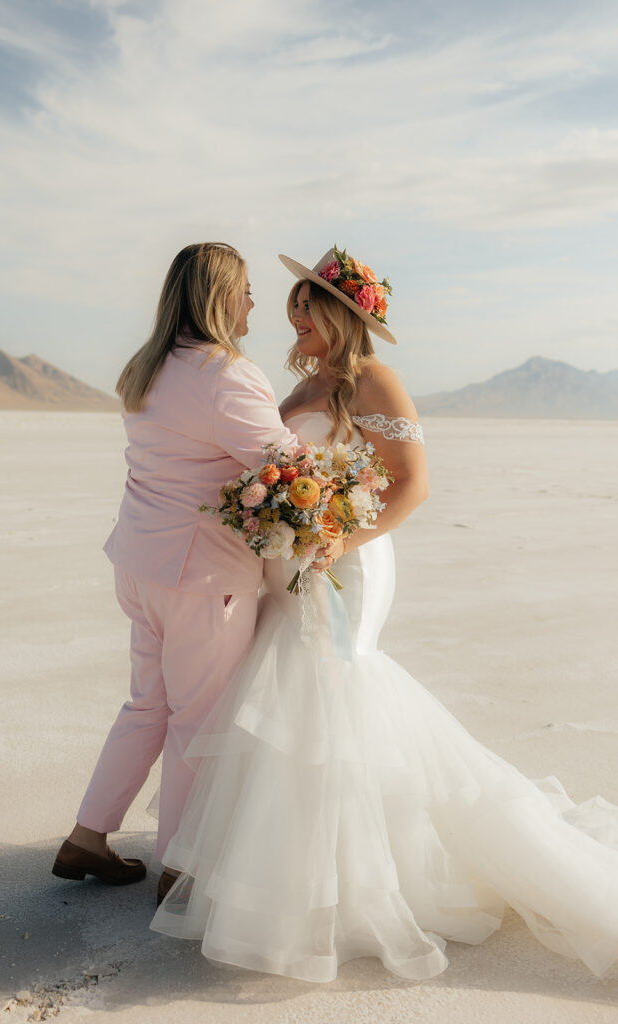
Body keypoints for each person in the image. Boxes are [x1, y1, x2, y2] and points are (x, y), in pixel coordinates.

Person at [150, 247, 618, 983]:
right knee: (284, 694)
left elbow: (412, 486)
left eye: (305, 309)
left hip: (347, 564)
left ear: (340, 315)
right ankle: (286, 864)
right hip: (291, 560)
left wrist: (337, 538)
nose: (293, 321)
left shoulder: (376, 382)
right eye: (291, 310)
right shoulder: (308, 385)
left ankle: (338, 884)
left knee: (330, 686)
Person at [52, 242, 297, 890]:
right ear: (220, 296)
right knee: (197, 719)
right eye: (245, 289)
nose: (253, 302)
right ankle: (181, 869)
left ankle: (87, 837)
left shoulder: (148, 367)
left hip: (138, 563)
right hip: (200, 578)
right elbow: (284, 465)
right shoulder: (228, 376)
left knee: (147, 706)